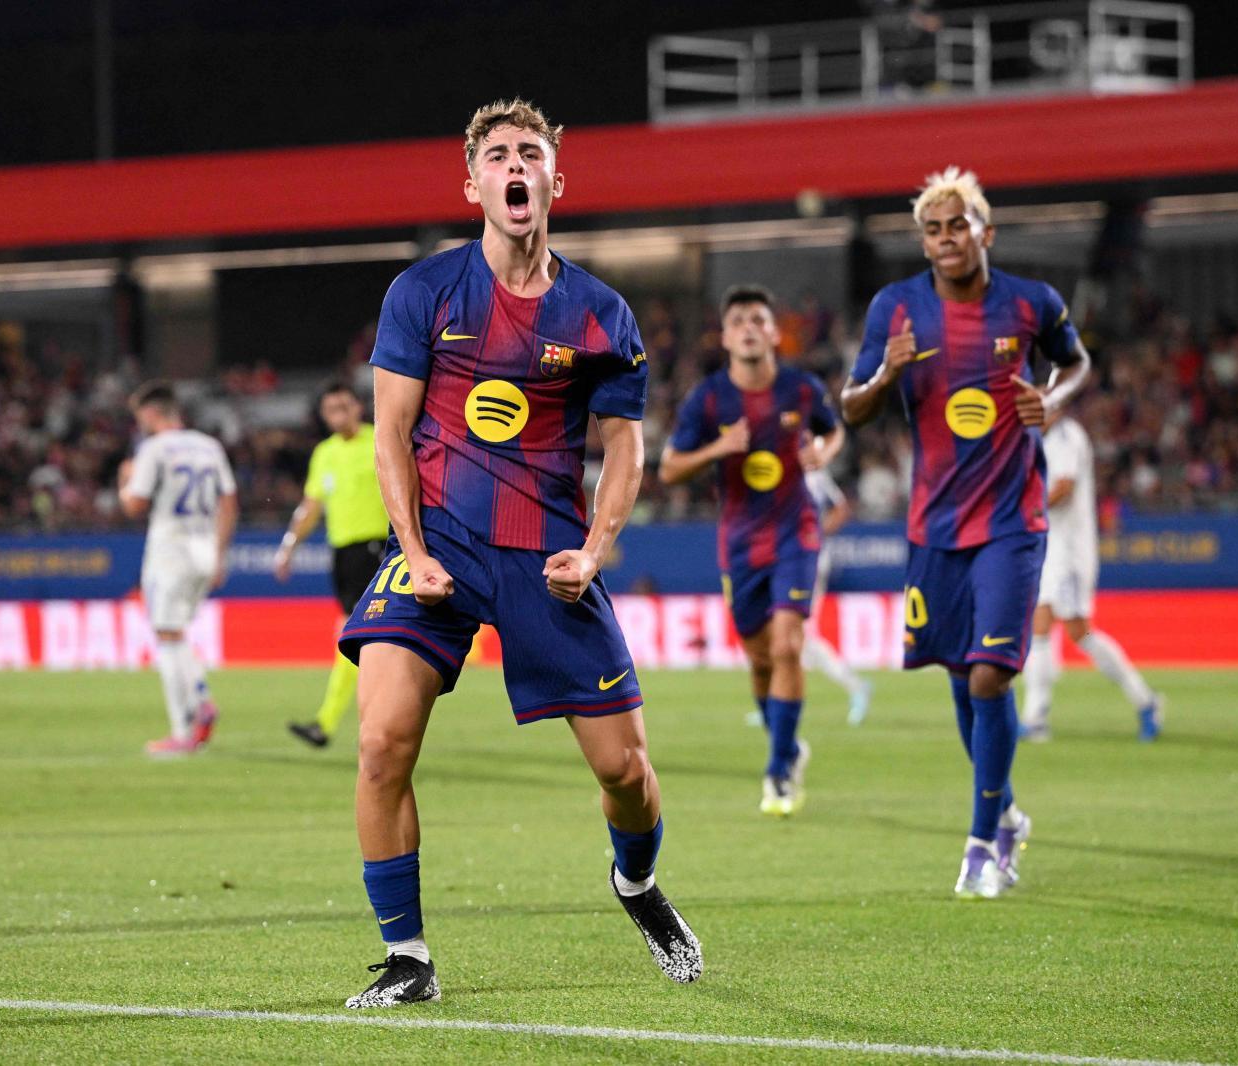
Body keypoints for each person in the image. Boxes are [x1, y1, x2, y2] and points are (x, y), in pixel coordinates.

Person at [334, 98, 701, 1009]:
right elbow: (390, 433)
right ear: (474, 185)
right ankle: (408, 958)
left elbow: (624, 448)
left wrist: (596, 549)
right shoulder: (423, 292)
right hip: (441, 552)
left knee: (627, 773)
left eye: (529, 153)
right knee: (381, 742)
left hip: (546, 556)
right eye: (496, 155)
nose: (514, 167)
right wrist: (412, 551)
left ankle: (636, 885)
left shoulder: (600, 315)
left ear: (552, 181)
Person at [840, 166, 1090, 900]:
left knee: (990, 673)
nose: (947, 239)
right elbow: (852, 408)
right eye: (934, 230)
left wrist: (1053, 394)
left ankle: (982, 845)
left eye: (959, 225)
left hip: (1013, 519)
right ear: (923, 243)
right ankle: (1006, 809)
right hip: (935, 524)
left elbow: (1076, 362)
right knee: (959, 674)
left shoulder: (1030, 303)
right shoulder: (896, 309)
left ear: (986, 231)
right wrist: (884, 376)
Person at [659, 285, 845, 817]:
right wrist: (721, 446)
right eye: (737, 318)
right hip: (740, 542)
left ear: (771, 332)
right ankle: (787, 745)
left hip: (796, 532)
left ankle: (778, 769)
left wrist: (821, 451)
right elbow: (670, 467)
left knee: (788, 646)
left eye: (757, 319)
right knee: (761, 659)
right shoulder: (709, 398)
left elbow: (834, 434)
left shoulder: (803, 390)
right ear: (725, 335)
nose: (747, 326)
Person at [1021, 413, 1162, 741]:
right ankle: (1035, 717)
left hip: (1071, 552)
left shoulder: (1068, 436)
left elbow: (1064, 489)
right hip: (1051, 548)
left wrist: (1026, 509)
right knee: (1038, 625)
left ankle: (1146, 701)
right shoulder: (1040, 440)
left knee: (1079, 632)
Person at [118, 382, 237, 757]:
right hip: (204, 548)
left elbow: (135, 505)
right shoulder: (209, 445)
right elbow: (229, 502)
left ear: (152, 414)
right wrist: (219, 554)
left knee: (166, 637)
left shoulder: (153, 449)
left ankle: (183, 729)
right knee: (177, 633)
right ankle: (201, 697)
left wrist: (125, 480)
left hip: (170, 551)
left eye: (141, 418)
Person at [278, 382, 390, 748]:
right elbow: (311, 506)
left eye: (344, 406)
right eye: (331, 410)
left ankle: (329, 722)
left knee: (353, 636)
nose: (338, 415)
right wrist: (289, 547)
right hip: (341, 553)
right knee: (363, 638)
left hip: (373, 548)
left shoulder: (380, 440)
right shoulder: (324, 453)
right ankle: (359, 720)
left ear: (358, 407)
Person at [804, 468, 875, 726]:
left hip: (808, 561)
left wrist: (816, 536)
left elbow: (842, 508)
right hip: (783, 562)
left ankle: (856, 686)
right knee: (788, 634)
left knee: (800, 633)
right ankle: (776, 703)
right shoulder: (783, 463)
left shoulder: (816, 476)